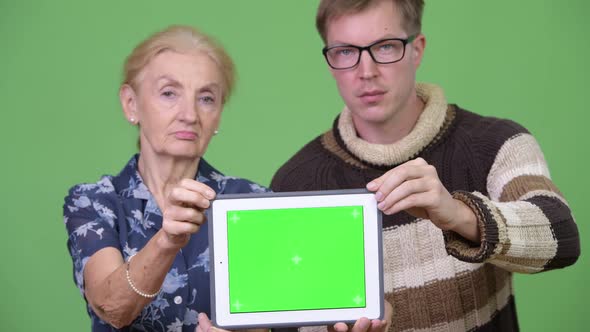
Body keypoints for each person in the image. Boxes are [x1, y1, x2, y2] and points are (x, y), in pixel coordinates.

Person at [270, 0, 581, 331]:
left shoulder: (496, 142)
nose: (366, 71)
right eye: (346, 52)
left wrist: (461, 215)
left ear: (416, 50)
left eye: (385, 46)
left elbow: (561, 238)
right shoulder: (295, 184)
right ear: (330, 61)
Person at [63, 25, 269, 331]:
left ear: (219, 114)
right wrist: (166, 241)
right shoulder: (93, 201)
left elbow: (269, 318)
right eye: (169, 93)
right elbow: (113, 308)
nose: (189, 114)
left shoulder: (252, 202)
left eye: (207, 98)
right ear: (131, 104)